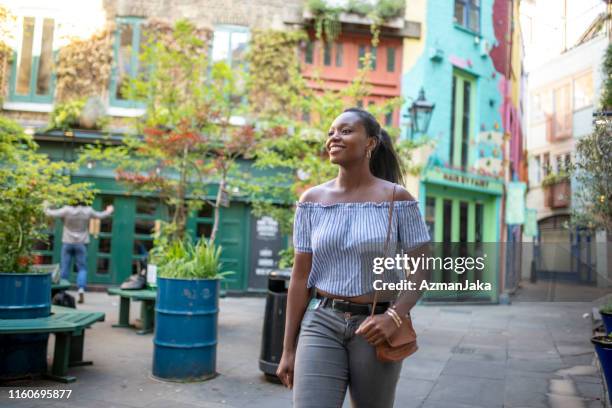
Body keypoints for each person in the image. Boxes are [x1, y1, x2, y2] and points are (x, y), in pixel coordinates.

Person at [277, 108, 431, 408]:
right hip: (320, 320)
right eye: (331, 132)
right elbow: (299, 278)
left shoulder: (397, 200)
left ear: (370, 143)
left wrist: (393, 317)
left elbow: (421, 269)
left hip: (376, 326)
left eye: (345, 131)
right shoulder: (311, 201)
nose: (334, 137)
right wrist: (288, 349)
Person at [44, 201, 114, 303]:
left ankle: (61, 292)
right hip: (81, 242)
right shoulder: (87, 211)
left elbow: (50, 213)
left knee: (65, 268)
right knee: (82, 268)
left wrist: (46, 204)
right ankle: (81, 289)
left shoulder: (66, 210)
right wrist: (109, 211)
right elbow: (100, 215)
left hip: (67, 242)